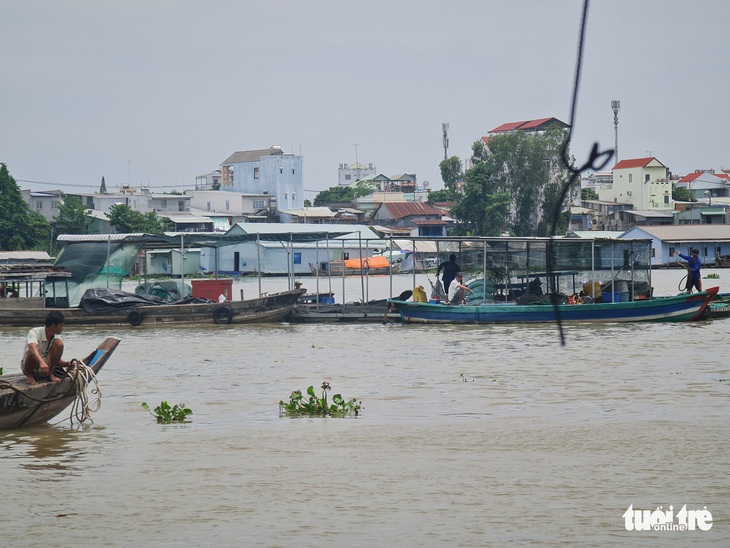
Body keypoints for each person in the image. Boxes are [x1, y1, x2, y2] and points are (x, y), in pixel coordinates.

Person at [21, 311, 74, 385]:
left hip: (46, 368)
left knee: (59, 343)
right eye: (61, 325)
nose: (62, 328)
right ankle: (30, 375)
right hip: (31, 366)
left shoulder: (56, 338)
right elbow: (32, 348)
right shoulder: (34, 332)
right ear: (53, 325)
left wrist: (67, 364)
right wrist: (41, 362)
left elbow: (56, 359)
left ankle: (50, 373)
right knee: (33, 350)